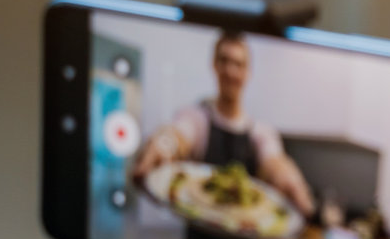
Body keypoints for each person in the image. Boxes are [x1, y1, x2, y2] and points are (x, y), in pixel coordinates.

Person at [134, 31, 315, 220]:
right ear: (215, 65)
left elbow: (274, 160)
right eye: (224, 61)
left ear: (248, 72)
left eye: (238, 64)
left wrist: (286, 175)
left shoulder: (261, 132)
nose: (231, 71)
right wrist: (164, 144)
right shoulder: (197, 117)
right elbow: (180, 132)